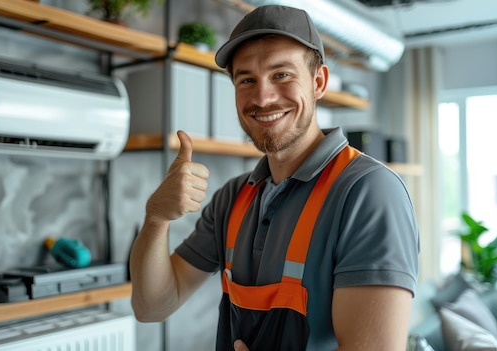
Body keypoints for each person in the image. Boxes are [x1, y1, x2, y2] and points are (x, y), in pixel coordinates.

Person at [129, 5, 419, 351]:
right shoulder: (233, 198)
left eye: (281, 75)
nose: (263, 97)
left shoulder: (368, 192)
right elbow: (151, 306)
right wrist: (156, 217)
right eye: (247, 79)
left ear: (318, 82)